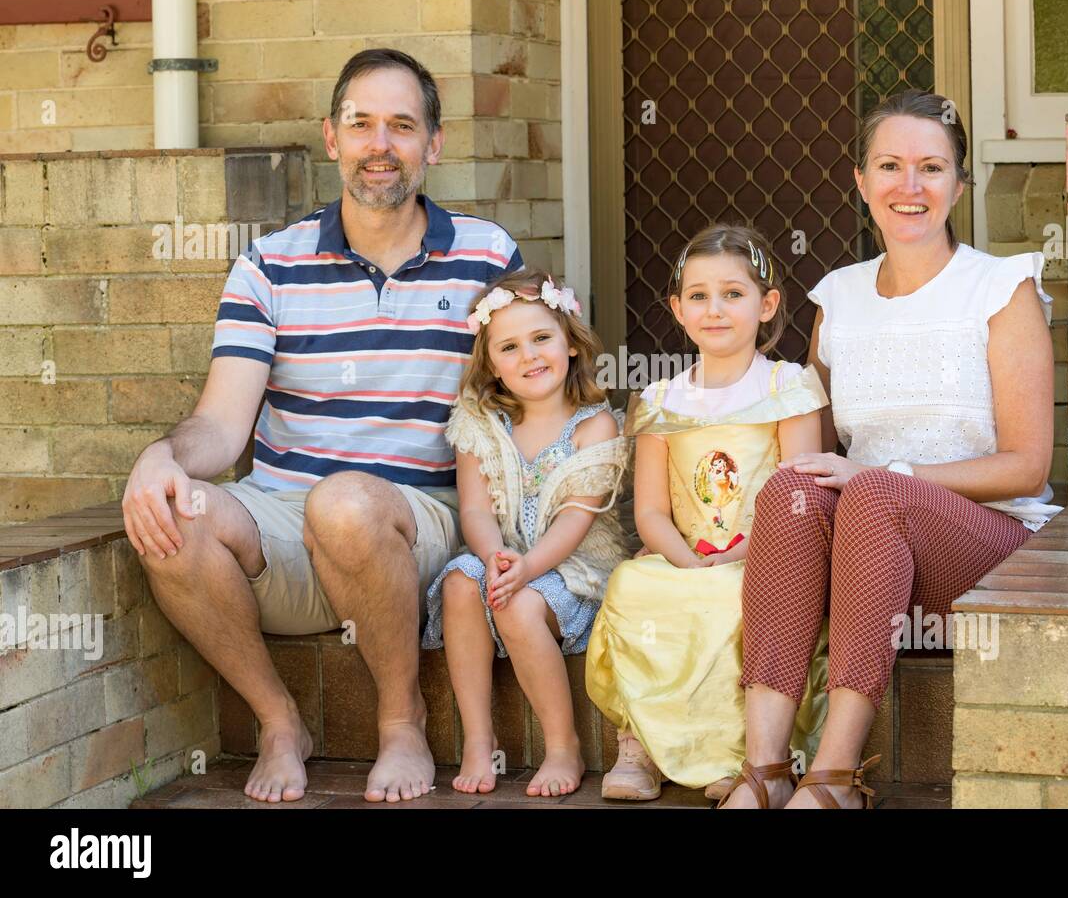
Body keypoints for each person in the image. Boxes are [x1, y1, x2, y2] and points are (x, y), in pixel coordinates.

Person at [120, 48, 523, 804]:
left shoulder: (484, 257)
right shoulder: (269, 265)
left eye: (401, 126)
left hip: (412, 521)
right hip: (282, 518)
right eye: (361, 123)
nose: (380, 144)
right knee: (175, 513)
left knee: (344, 502)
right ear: (332, 138)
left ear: (432, 145)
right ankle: (278, 719)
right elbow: (219, 423)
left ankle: (400, 719)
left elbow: (525, 399)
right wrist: (159, 458)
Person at [723, 88, 1061, 809]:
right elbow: (810, 448)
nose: (910, 187)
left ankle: (836, 775)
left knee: (873, 491)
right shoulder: (838, 296)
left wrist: (889, 474)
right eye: (890, 165)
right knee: (790, 488)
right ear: (860, 181)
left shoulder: (1001, 288)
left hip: (983, 545)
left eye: (932, 168)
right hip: (872, 543)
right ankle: (766, 768)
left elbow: (1028, 465)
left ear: (959, 184)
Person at [586, 224, 830, 802]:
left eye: (733, 294)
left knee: (733, 595)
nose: (714, 309)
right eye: (697, 295)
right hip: (687, 554)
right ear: (677, 309)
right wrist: (687, 561)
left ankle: (731, 754)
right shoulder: (660, 400)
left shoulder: (788, 386)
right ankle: (640, 744)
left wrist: (738, 558)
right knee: (634, 582)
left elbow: (800, 495)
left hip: (770, 555)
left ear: (767, 305)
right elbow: (649, 511)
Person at [423, 269, 629, 797]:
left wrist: (527, 569)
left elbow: (575, 521)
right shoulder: (479, 422)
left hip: (573, 571)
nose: (530, 357)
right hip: (506, 559)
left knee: (516, 602)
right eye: (509, 347)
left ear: (570, 342)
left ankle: (563, 745)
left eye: (541, 338)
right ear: (491, 364)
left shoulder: (593, 425)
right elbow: (474, 510)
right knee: (459, 583)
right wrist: (495, 557)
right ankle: (477, 739)